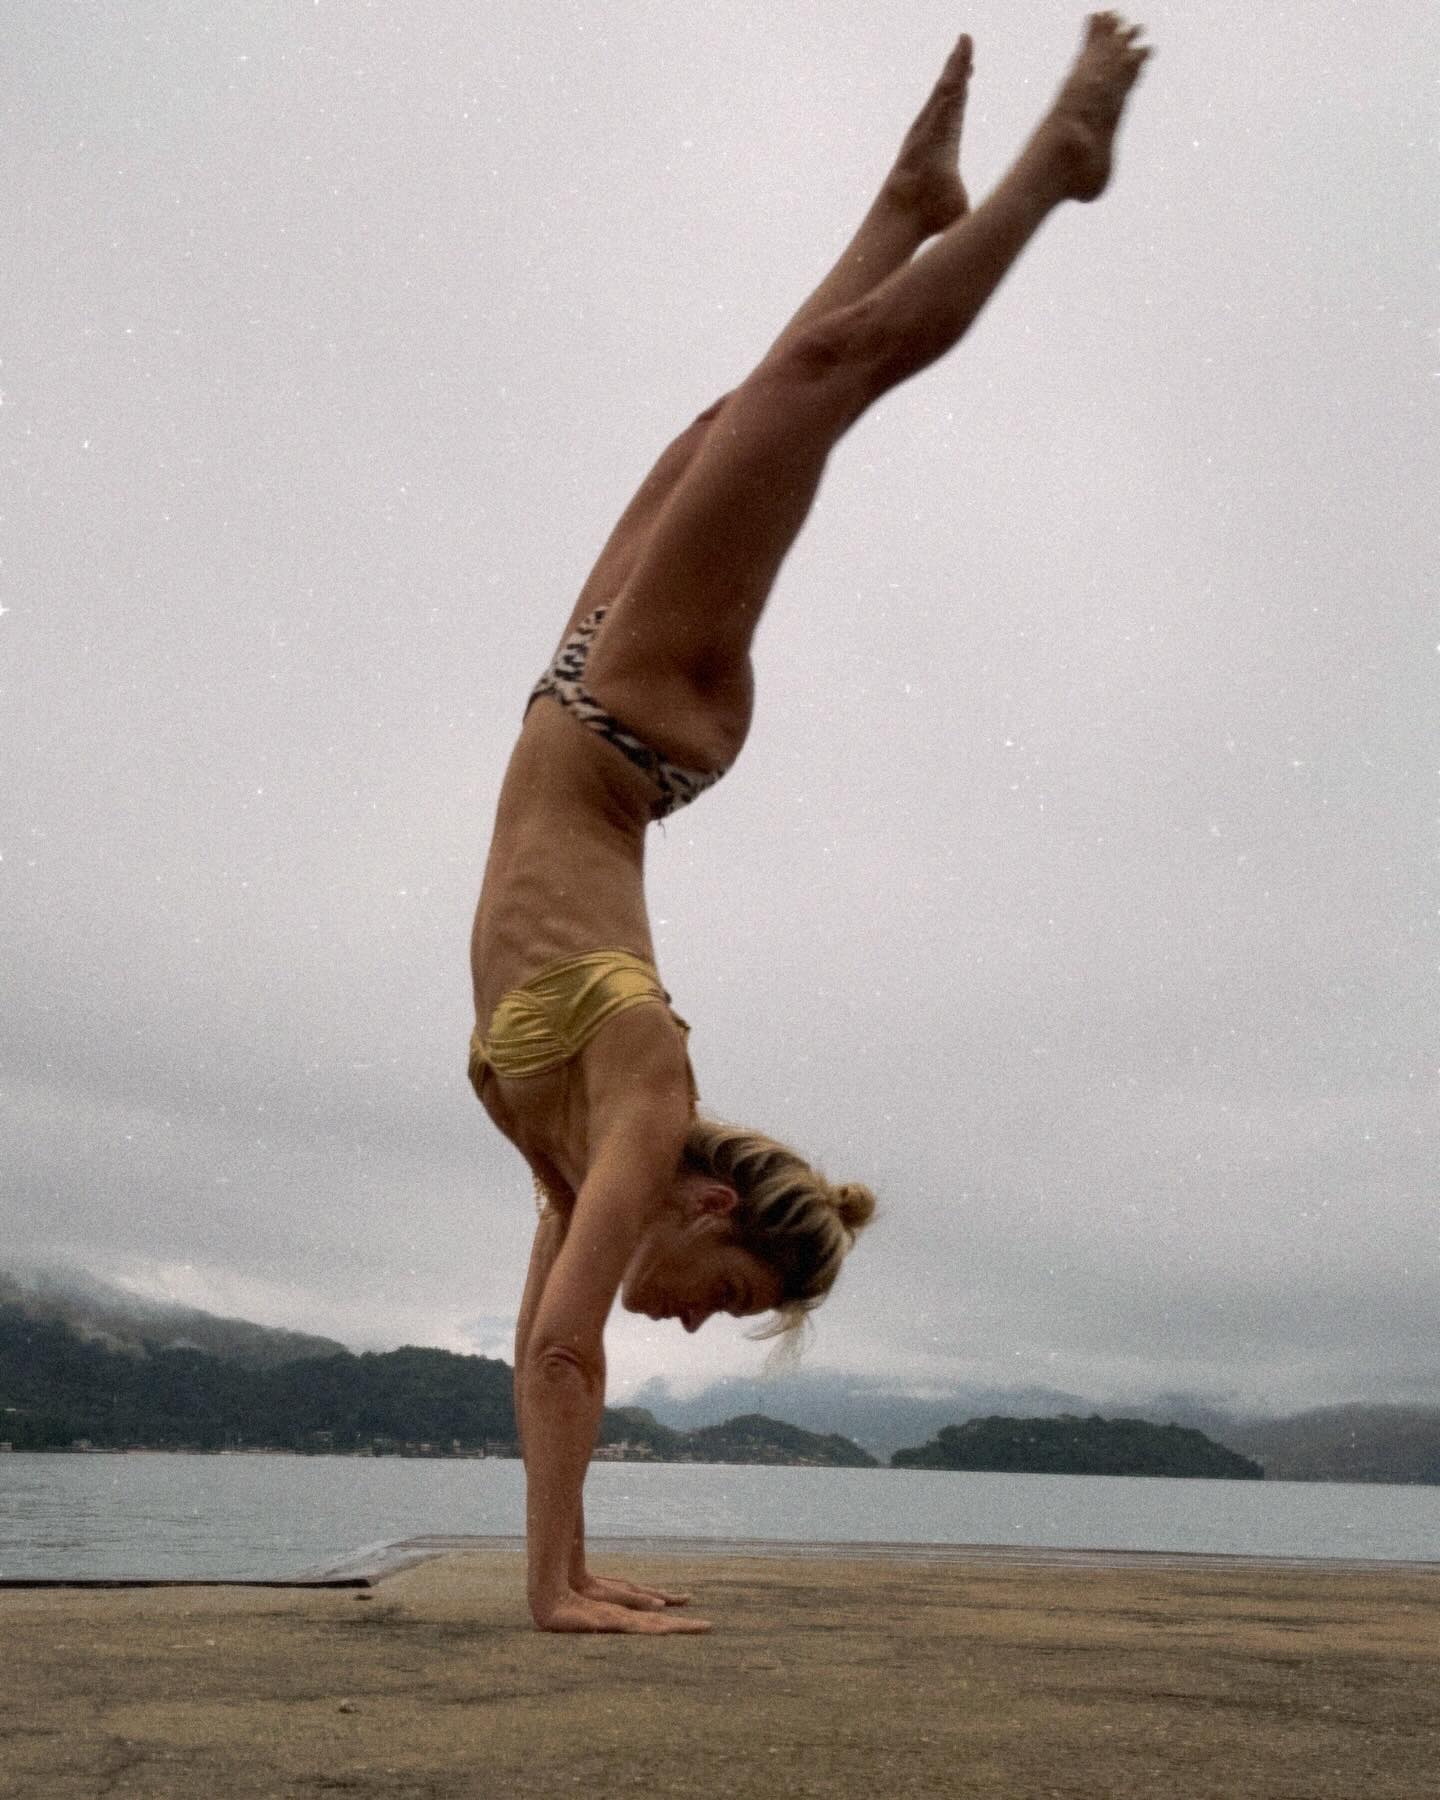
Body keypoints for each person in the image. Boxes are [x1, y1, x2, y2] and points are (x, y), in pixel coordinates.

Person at [469, 14, 1151, 1633]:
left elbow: (539, 1353)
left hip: (582, 711)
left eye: (714, 1327)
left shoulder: (585, 1165)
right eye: (730, 1305)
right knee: (808, 389)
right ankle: (1048, 172)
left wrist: (559, 1580)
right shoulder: (646, 1102)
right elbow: (575, 1350)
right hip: (641, 720)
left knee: (736, 420)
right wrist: (557, 1593)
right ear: (709, 1210)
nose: (694, 1331)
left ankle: (914, 206)